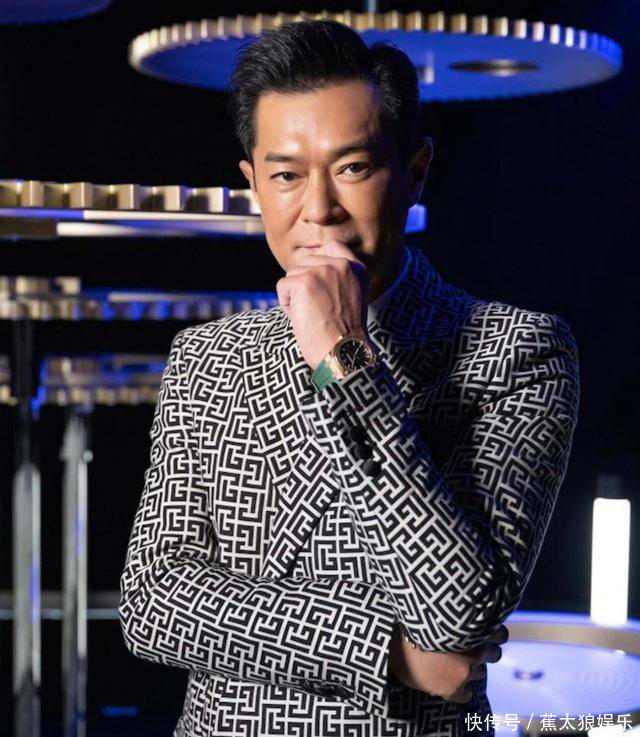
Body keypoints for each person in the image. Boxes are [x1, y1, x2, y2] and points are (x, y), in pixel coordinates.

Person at [118, 18, 580, 737]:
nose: (319, 209)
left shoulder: (518, 350)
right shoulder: (206, 356)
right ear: (253, 184)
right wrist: (384, 651)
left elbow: (457, 613)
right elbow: (153, 603)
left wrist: (343, 353)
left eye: (353, 168)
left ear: (415, 171)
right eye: (286, 175)